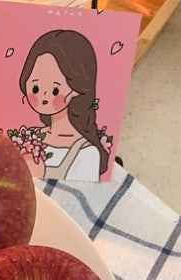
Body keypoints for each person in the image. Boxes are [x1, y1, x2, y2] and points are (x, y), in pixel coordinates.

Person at [18, 29, 110, 181]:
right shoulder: (29, 139)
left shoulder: (87, 152)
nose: (44, 96)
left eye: (55, 89)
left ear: (77, 89)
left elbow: (77, 196)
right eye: (35, 87)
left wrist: (42, 172)